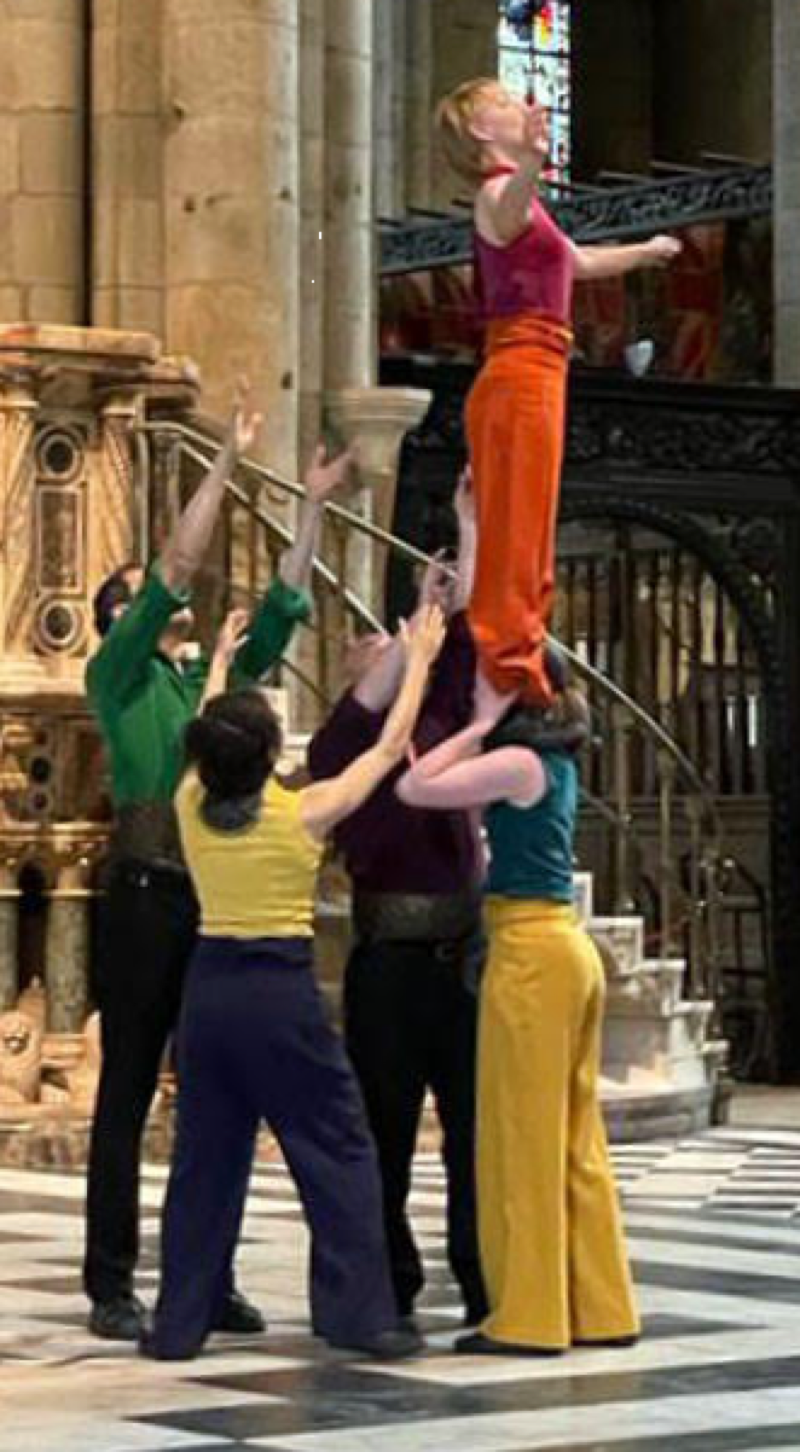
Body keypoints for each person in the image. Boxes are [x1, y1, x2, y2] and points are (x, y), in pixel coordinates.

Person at [84, 381, 352, 1342]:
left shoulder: (213, 682)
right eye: (145, 596)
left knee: (214, 1105)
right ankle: (111, 1281)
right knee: (123, 1091)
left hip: (214, 904)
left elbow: (289, 595)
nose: (177, 597)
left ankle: (208, 1278)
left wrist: (314, 501)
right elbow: (180, 557)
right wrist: (232, 460)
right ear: (122, 615)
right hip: (144, 899)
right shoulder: (117, 676)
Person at [142, 605, 447, 1362]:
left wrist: (217, 659)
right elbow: (387, 748)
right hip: (278, 993)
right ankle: (360, 1316)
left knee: (205, 1160)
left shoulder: (189, 805)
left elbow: (206, 730)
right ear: (274, 752)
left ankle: (180, 1322)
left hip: (208, 994)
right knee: (337, 1148)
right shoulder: (305, 813)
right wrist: (422, 660)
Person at [397, 651, 640, 1355]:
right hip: (563, 947)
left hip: (532, 952)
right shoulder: (552, 762)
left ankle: (530, 1317)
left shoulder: (518, 765)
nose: (473, 681)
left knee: (522, 1141)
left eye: (486, 675)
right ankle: (600, 1305)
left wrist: (476, 723)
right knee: (573, 1141)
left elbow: (416, 785)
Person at [435, 78, 682, 708]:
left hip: (540, 367)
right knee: (517, 526)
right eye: (502, 103)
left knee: (532, 523)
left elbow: (578, 261)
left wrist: (647, 252)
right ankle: (508, 669)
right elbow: (512, 209)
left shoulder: (521, 200)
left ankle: (517, 661)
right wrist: (535, 165)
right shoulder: (495, 194)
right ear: (481, 131)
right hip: (519, 367)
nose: (519, 104)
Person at [308, 471, 488, 1331]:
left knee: (472, 1137)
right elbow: (387, 691)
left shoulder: (443, 712)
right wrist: (417, 629)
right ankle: (389, 1282)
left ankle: (482, 1276)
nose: (384, 642)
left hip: (457, 959)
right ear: (353, 673)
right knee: (382, 1137)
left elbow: (469, 629)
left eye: (392, 637)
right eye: (368, 644)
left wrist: (466, 525)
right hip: (384, 965)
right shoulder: (340, 745)